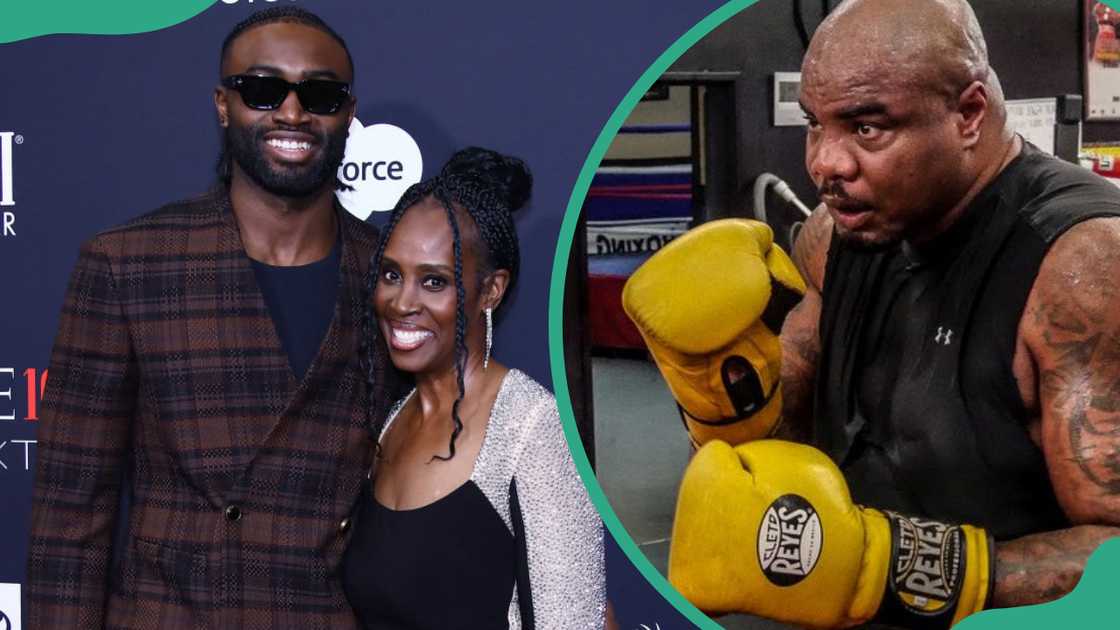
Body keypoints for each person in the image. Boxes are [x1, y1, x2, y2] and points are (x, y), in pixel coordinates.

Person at [627, 0, 1120, 627]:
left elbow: (1115, 556)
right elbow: (779, 446)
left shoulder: (1085, 269)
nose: (824, 163)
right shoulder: (834, 236)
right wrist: (721, 388)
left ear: (968, 113)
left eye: (867, 127)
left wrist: (892, 568)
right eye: (815, 123)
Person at [26, 7, 401, 627]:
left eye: (320, 93)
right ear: (223, 104)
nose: (292, 112)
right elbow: (71, 511)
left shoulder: (390, 276)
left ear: (348, 113)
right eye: (262, 89)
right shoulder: (127, 264)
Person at [341, 148, 606, 629]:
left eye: (434, 281)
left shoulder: (532, 430)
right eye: (391, 274)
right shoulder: (390, 422)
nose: (402, 302)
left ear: (491, 290)